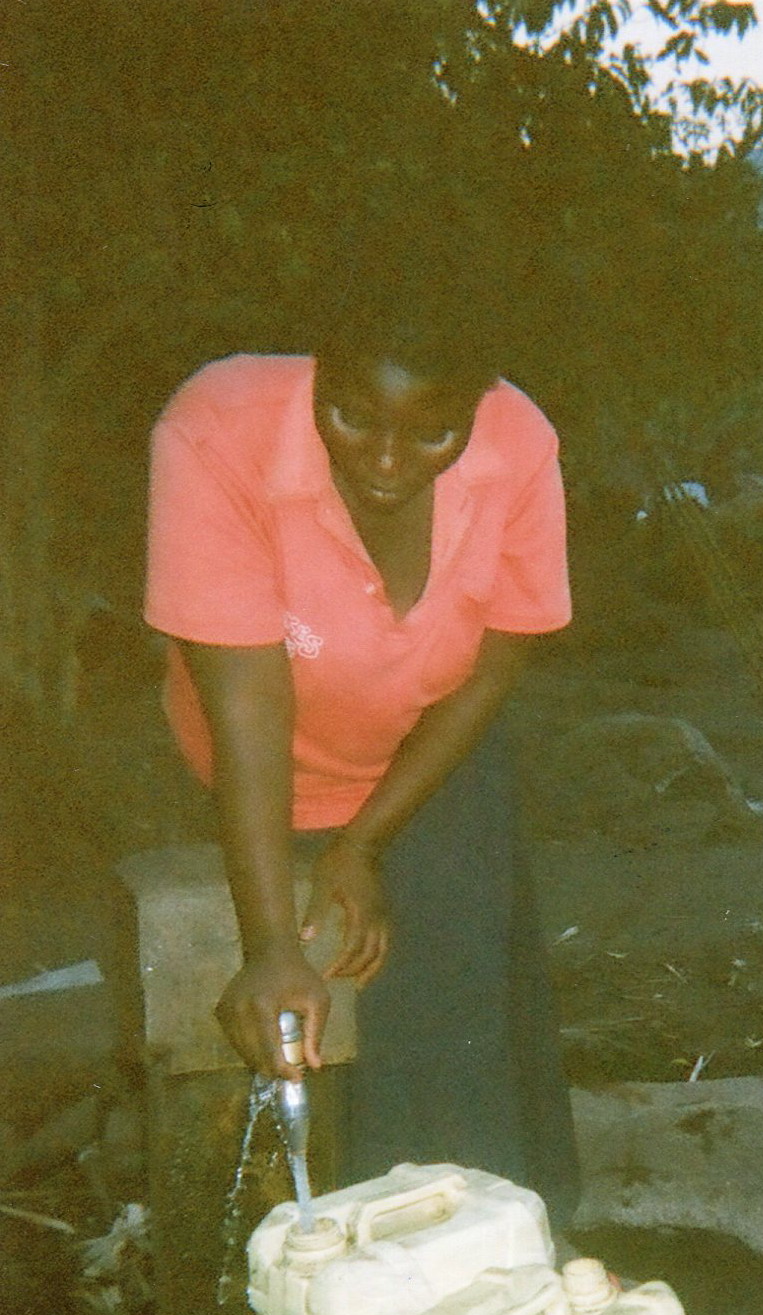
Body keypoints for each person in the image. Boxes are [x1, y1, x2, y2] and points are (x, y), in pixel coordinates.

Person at [144, 267, 580, 1231]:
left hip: (430, 751)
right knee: (285, 1021)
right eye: (350, 418)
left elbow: (492, 667)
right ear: (316, 379)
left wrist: (366, 842)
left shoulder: (519, 447)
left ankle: (483, 1256)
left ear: (478, 407)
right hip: (258, 758)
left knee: (450, 1017)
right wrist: (268, 947)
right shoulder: (216, 432)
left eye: (431, 430)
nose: (385, 460)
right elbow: (248, 701)